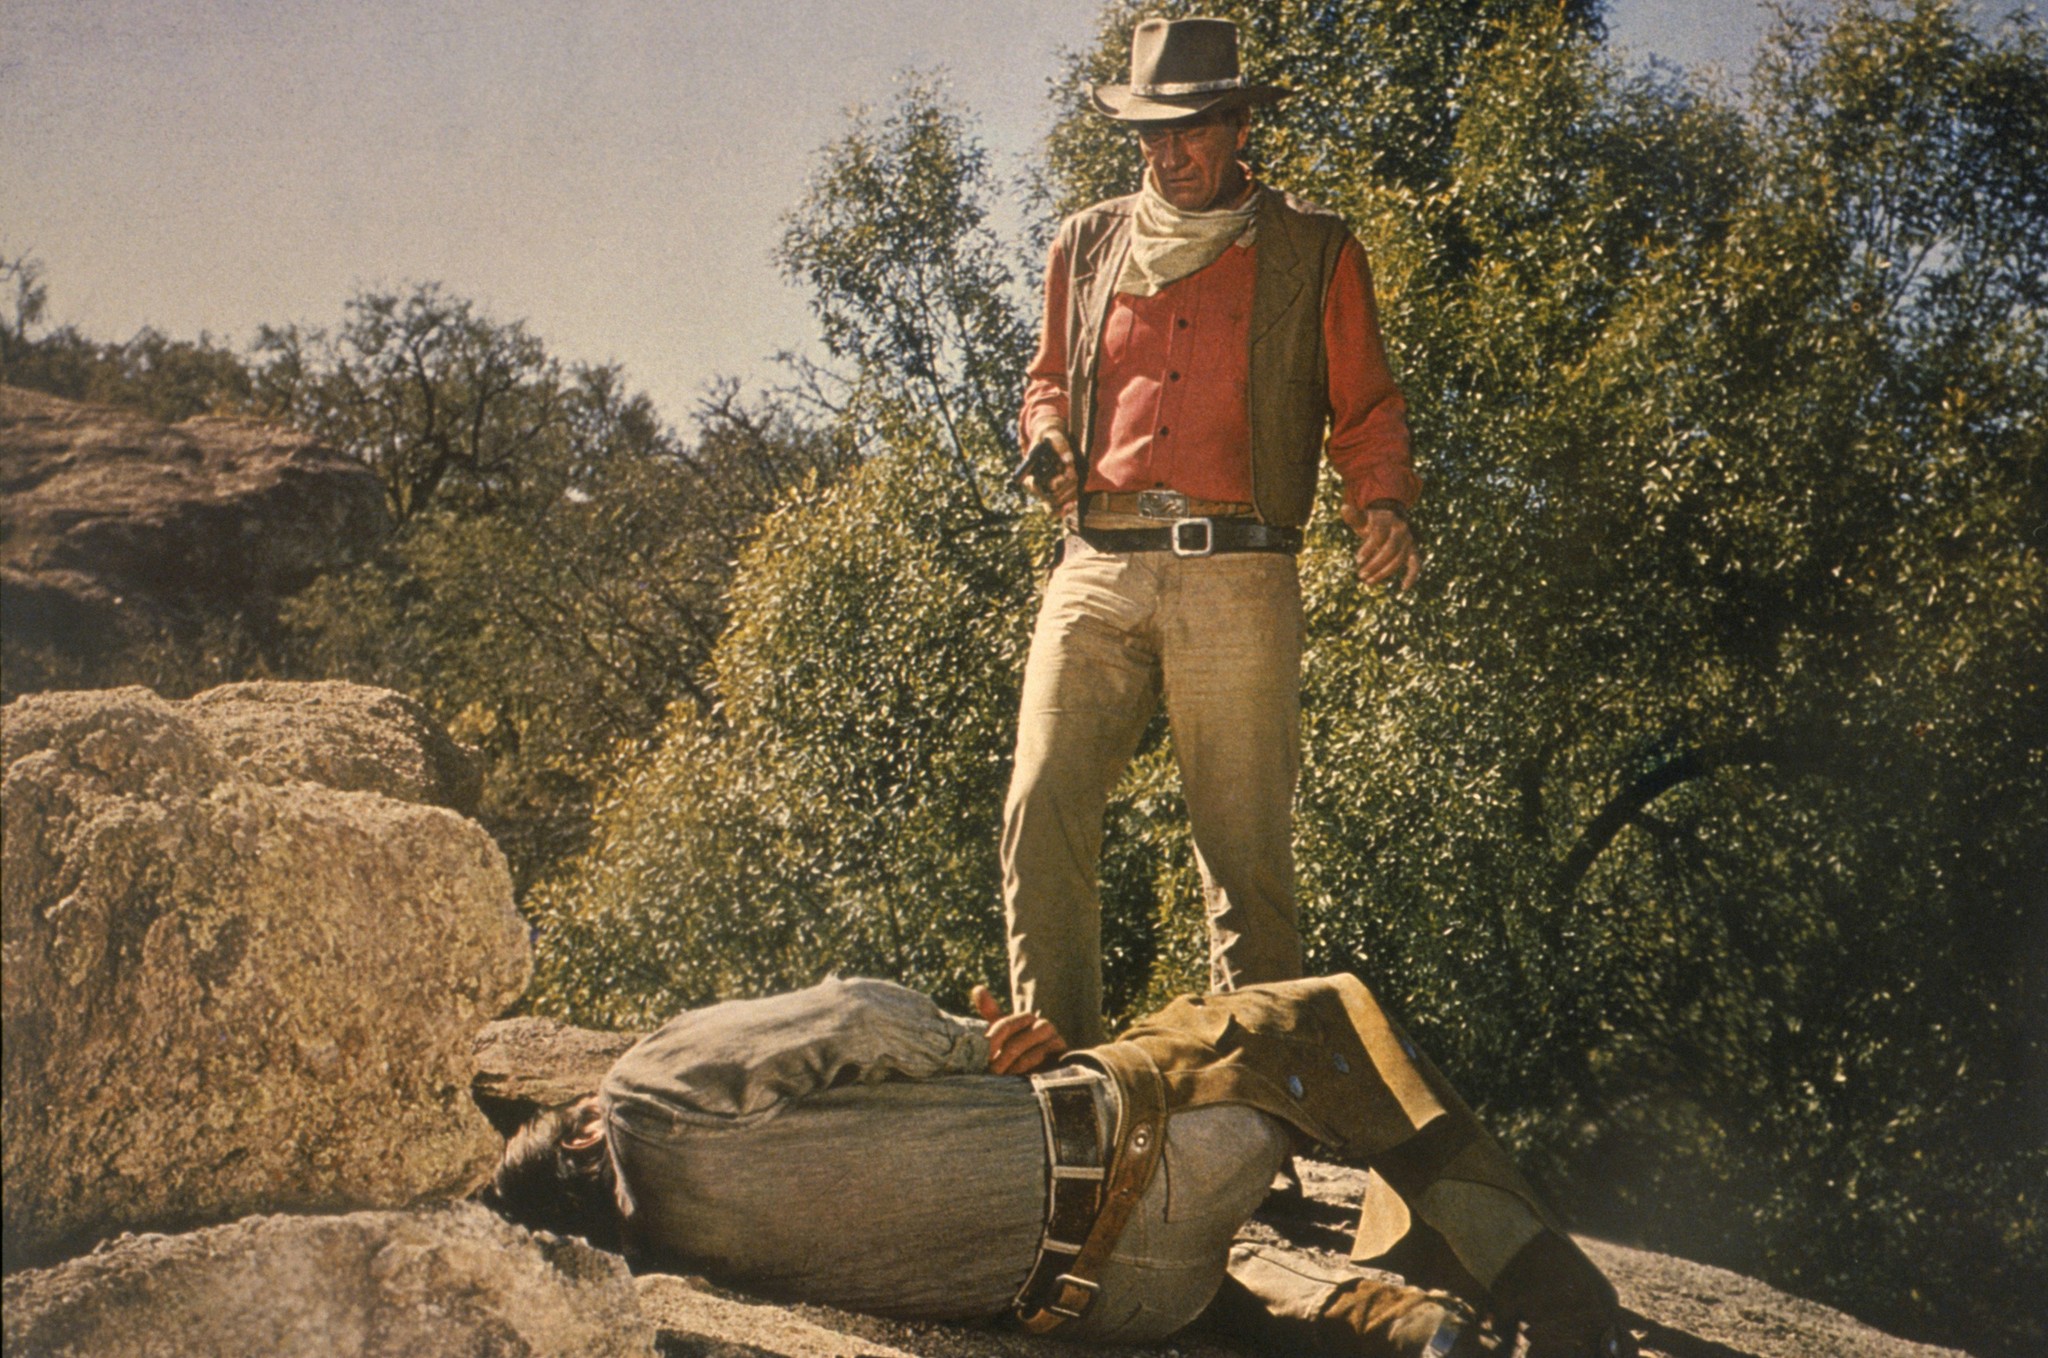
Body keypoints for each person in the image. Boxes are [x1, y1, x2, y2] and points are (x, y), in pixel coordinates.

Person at [481, 973, 1636, 1358]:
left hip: (1124, 1305)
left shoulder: (673, 1249)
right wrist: (968, 1044)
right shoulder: (638, 1094)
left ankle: (1381, 1317)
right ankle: (1567, 1315)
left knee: (1212, 1282)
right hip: (1135, 1160)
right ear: (578, 1133)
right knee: (1322, 1021)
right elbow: (849, 1016)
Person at [1002, 16, 1424, 1049]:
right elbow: (1045, 380)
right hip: (1096, 562)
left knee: (1243, 857)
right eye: (1149, 133)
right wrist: (1047, 430)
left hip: (1236, 571)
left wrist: (1384, 506)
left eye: (1189, 130)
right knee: (1040, 801)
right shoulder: (1085, 241)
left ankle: (1254, 1107)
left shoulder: (1315, 248)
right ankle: (1058, 1084)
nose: (1167, 154)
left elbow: (1365, 405)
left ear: (1237, 126)